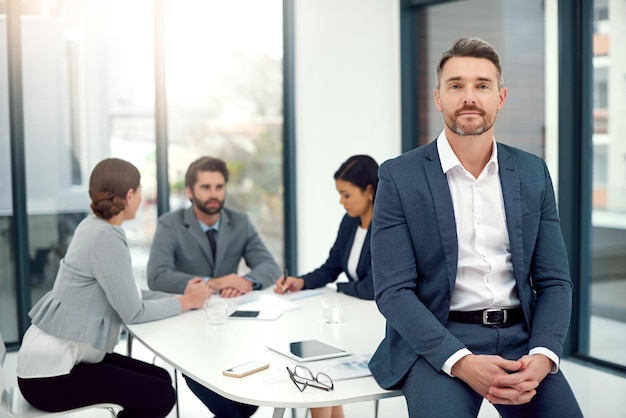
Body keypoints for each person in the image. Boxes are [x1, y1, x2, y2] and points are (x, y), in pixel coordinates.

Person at [368, 38, 583, 418]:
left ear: (500, 97)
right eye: (456, 86)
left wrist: (544, 354)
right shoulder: (399, 176)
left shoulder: (533, 173)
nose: (469, 96)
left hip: (523, 339)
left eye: (481, 85)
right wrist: (461, 361)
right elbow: (393, 291)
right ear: (439, 98)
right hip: (440, 339)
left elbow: (554, 281)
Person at [16, 158, 210, 418]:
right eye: (141, 191)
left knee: (161, 378)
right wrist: (186, 303)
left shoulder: (92, 226)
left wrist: (180, 296)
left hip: (48, 364)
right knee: (161, 396)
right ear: (130, 196)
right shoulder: (106, 237)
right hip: (48, 378)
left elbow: (127, 293)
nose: (143, 198)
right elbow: (134, 313)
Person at [147, 156, 280, 418]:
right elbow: (157, 276)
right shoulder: (170, 224)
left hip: (233, 328)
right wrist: (214, 283)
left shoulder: (240, 221)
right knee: (230, 406)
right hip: (188, 329)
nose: (214, 195)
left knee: (246, 401)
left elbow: (269, 266)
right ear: (190, 191)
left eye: (219, 187)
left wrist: (246, 282)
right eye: (206, 187)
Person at [275, 154, 379, 418]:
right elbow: (332, 266)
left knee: (319, 368)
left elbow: (374, 288)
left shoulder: (388, 226)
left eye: (346, 195)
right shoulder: (350, 222)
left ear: (369, 191)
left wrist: (341, 289)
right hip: (351, 317)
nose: (341, 202)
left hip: (375, 322)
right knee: (318, 364)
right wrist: (301, 281)